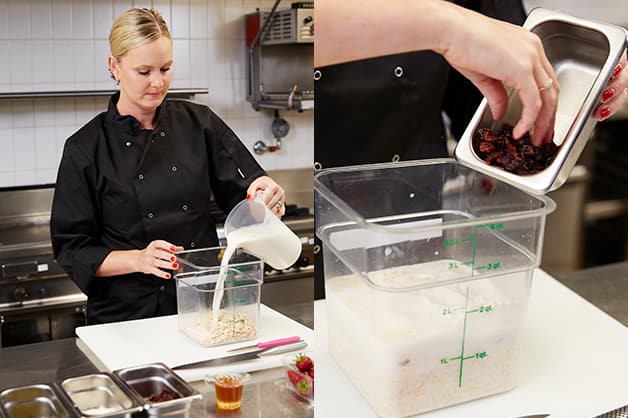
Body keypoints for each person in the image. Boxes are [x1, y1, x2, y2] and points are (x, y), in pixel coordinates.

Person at [313, 0, 628, 298]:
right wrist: (446, 25)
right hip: (310, 221)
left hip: (414, 218)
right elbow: (281, 22)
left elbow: (494, 89)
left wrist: (588, 83)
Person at [50, 8, 286, 324]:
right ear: (114, 66)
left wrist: (266, 196)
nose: (158, 82)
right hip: (127, 314)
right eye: (144, 71)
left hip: (202, 301)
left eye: (166, 68)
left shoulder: (199, 123)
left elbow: (247, 198)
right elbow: (72, 249)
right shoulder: (85, 148)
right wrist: (138, 258)